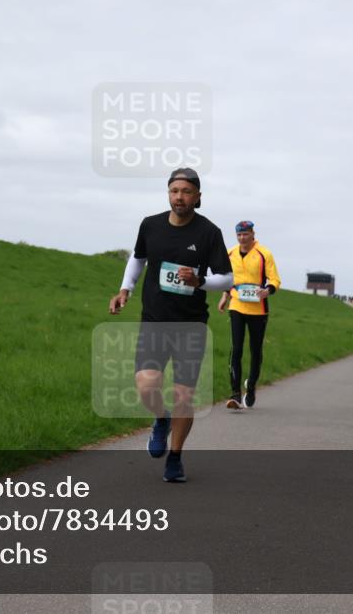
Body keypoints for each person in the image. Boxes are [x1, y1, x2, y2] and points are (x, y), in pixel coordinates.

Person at [109, 168, 232, 483]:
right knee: (147, 385)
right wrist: (126, 289)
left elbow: (227, 278)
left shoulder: (209, 233)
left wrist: (200, 280)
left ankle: (175, 458)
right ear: (169, 193)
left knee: (183, 395)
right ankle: (160, 419)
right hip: (155, 320)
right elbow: (138, 258)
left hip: (190, 324)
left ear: (198, 197)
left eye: (187, 191)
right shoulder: (150, 225)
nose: (180, 196)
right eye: (175, 190)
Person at [217, 220, 281, 409]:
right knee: (236, 349)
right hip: (237, 305)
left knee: (255, 350)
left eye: (245, 234)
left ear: (253, 234)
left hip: (258, 309)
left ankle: (251, 386)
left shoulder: (264, 253)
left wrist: (267, 290)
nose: (242, 238)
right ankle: (235, 394)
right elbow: (229, 279)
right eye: (239, 235)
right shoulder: (230, 253)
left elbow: (275, 279)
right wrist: (224, 296)